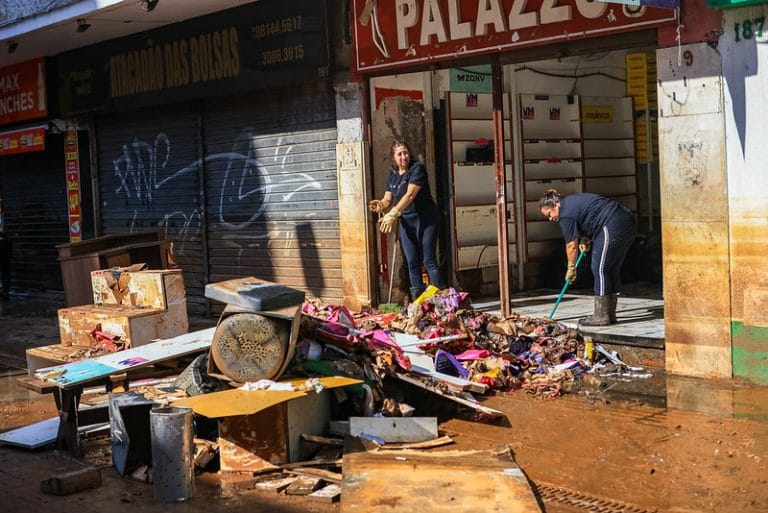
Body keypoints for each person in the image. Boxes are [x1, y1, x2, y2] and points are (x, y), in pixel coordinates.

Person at [538, 189, 636, 326]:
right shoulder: (571, 203)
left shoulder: (565, 213)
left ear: (555, 205)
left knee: (600, 268)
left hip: (613, 223)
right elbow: (589, 217)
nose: (551, 219)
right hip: (625, 220)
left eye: (549, 214)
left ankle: (601, 315)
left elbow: (571, 245)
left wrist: (571, 268)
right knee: (610, 269)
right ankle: (609, 314)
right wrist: (586, 238)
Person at [369, 140, 446, 300]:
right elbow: (388, 198)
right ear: (393, 158)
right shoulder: (392, 175)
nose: (404, 157)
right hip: (407, 221)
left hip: (426, 219)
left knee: (428, 259)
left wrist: (393, 213)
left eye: (406, 153)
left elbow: (410, 195)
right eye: (400, 154)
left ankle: (443, 299)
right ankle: (419, 301)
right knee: (411, 261)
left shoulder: (417, 169)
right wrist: (381, 205)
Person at [0, 228, 11, 300]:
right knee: (5, 278)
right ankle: (5, 295)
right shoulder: (6, 238)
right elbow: (10, 250)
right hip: (6, 262)